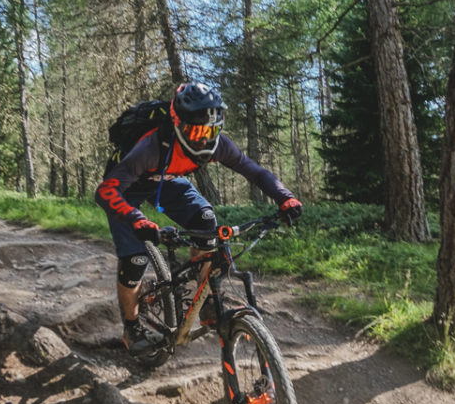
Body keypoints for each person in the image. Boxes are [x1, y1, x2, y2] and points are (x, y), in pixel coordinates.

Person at [95, 82, 303, 357]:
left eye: (211, 131)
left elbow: (255, 172)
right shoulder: (151, 147)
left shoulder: (218, 145)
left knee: (206, 223)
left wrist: (284, 197)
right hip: (127, 188)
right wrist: (136, 219)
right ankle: (131, 327)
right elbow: (105, 191)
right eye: (196, 132)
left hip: (168, 179)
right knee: (135, 260)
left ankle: (203, 300)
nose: (204, 140)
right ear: (178, 124)